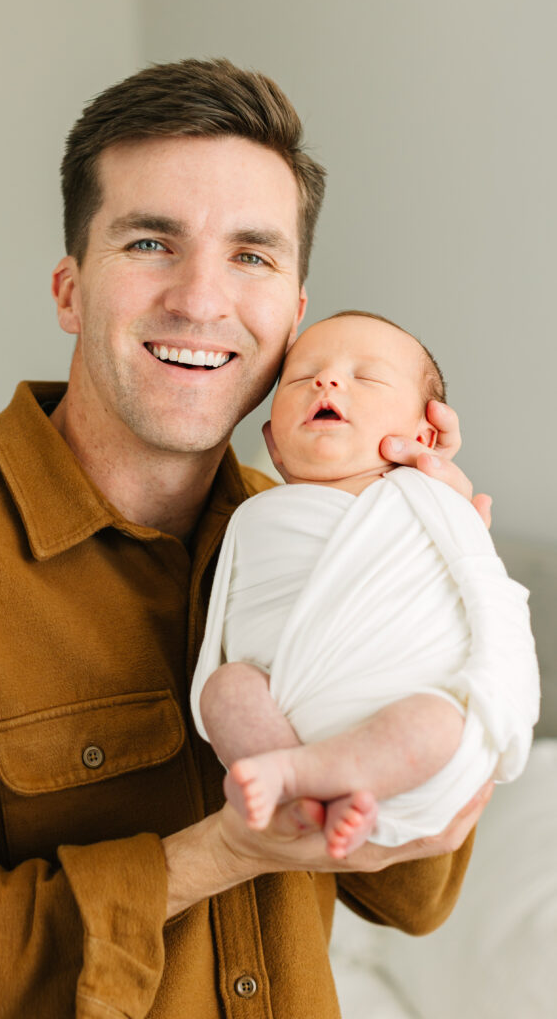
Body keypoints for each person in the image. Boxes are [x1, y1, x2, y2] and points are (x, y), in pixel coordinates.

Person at [0, 59, 493, 1018]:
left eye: (251, 254)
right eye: (152, 242)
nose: (202, 300)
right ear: (70, 290)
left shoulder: (330, 539)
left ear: (293, 318)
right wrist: (219, 854)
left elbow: (409, 895)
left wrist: (422, 540)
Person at [191, 312, 539, 859]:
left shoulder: (437, 504)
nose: (326, 382)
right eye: (302, 377)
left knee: (439, 722)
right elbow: (230, 629)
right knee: (224, 689)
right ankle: (298, 793)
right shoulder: (250, 512)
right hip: (283, 705)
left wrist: (452, 519)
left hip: (393, 715)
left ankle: (300, 775)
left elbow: (484, 596)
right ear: (272, 439)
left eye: (367, 378)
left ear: (423, 435)